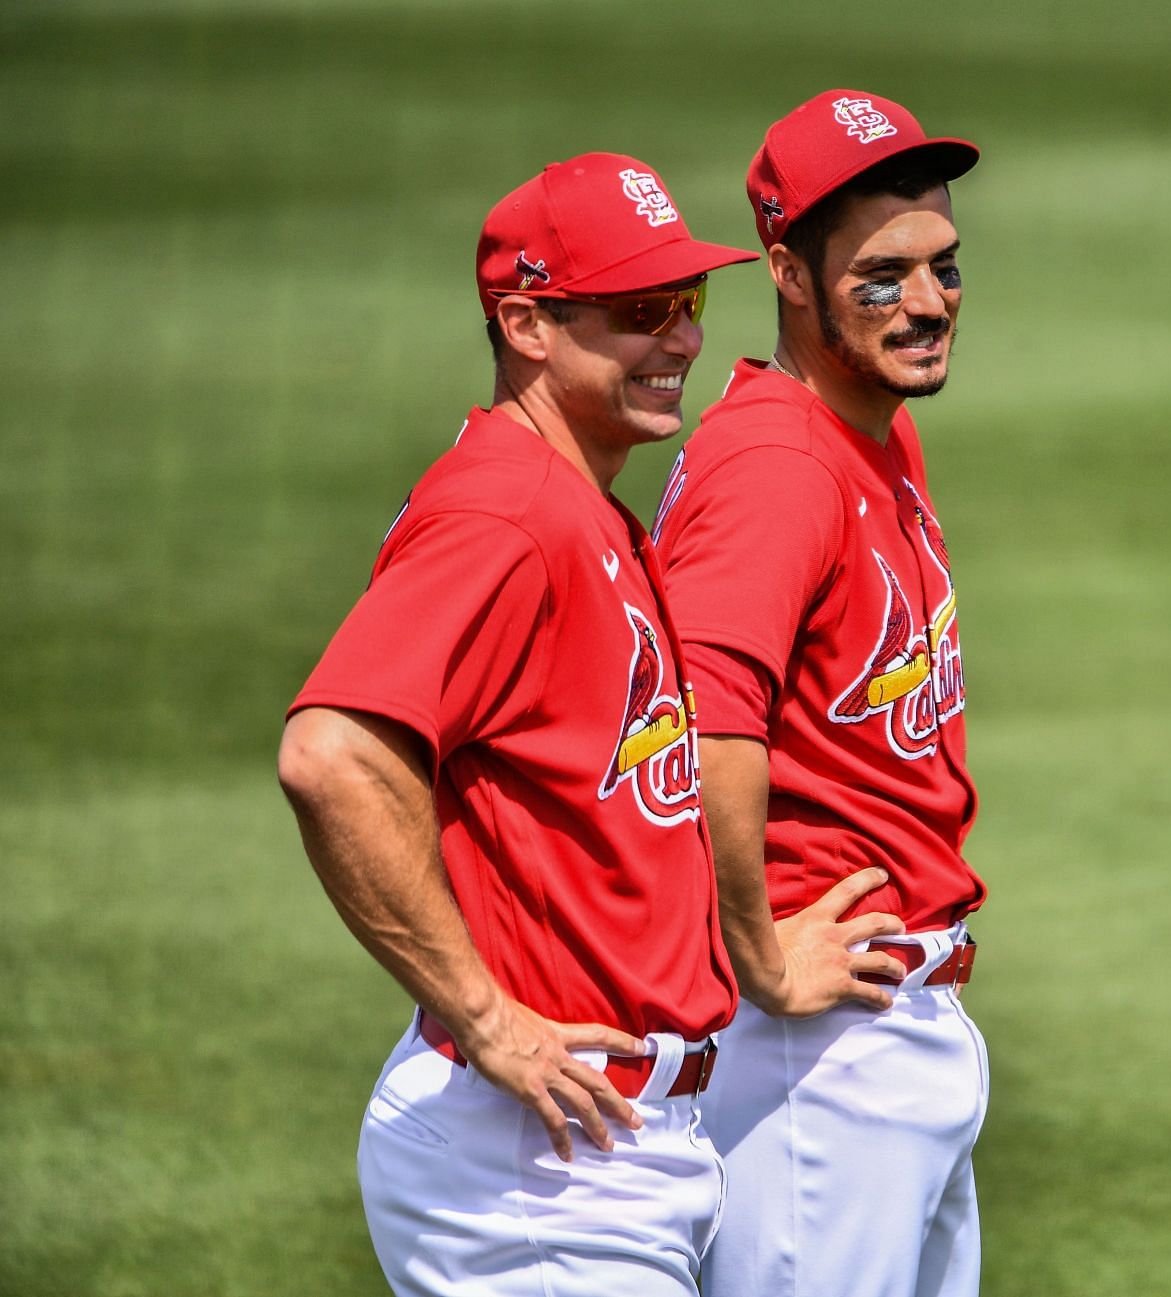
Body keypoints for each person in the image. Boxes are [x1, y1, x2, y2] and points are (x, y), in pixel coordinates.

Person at [276, 152, 758, 1297]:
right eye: (642, 313)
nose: (682, 340)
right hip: (539, 1172)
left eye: (688, 305)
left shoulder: (576, 502)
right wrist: (488, 1018)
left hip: (610, 1154)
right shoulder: (506, 515)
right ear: (528, 323)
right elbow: (330, 755)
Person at [650, 91, 989, 1297]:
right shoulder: (779, 466)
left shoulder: (867, 431)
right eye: (884, 276)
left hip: (887, 1032)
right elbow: (701, 715)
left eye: (945, 268)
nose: (931, 303)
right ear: (789, 273)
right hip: (817, 1052)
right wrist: (759, 953)